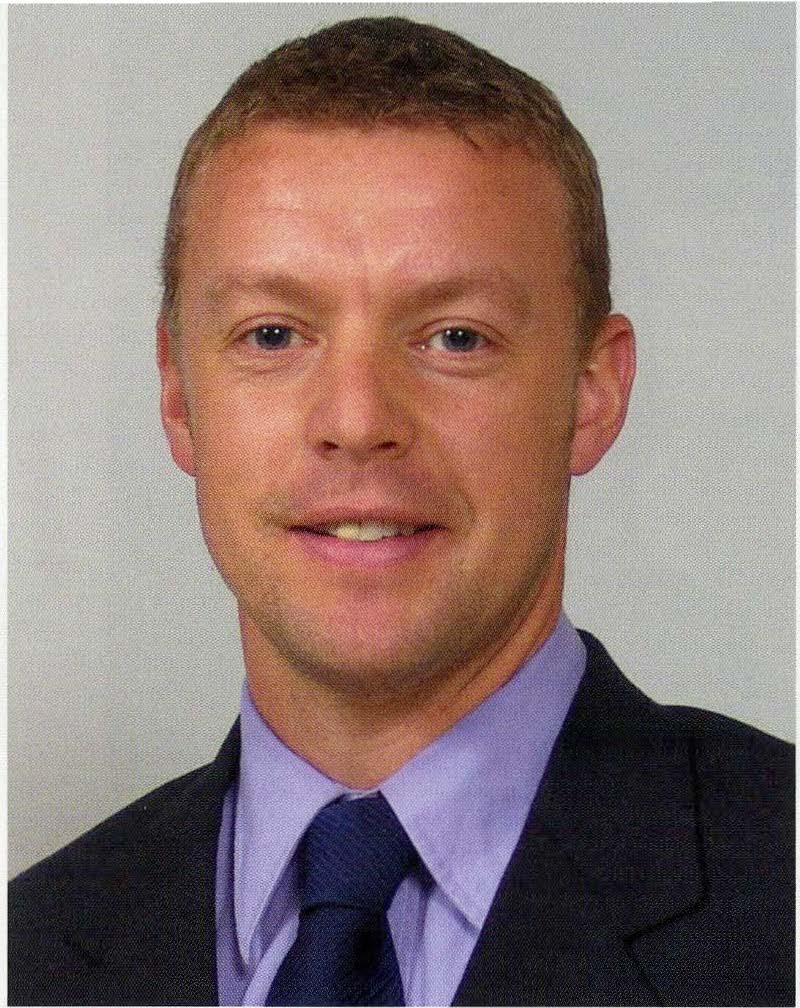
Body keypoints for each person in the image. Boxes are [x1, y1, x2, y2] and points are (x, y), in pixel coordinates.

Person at [8, 16, 793, 1007]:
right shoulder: (30, 952)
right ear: (177, 393)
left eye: (455, 337)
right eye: (273, 334)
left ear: (592, 392)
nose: (357, 420)